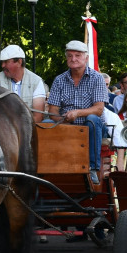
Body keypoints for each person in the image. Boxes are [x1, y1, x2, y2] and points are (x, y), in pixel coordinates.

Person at [46, 40, 108, 185]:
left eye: (77, 55)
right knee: (45, 124)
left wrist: (77, 113)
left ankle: (93, 167)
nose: (73, 59)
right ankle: (46, 166)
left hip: (92, 127)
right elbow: (52, 112)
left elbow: (98, 109)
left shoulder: (97, 78)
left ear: (86, 58)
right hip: (66, 125)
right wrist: (62, 119)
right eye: (70, 56)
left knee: (92, 119)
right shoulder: (59, 80)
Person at [0, 44, 47, 123]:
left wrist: (18, 127)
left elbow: (38, 117)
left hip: (28, 131)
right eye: (2, 62)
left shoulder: (36, 81)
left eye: (6, 62)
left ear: (19, 62)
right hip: (2, 130)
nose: (2, 65)